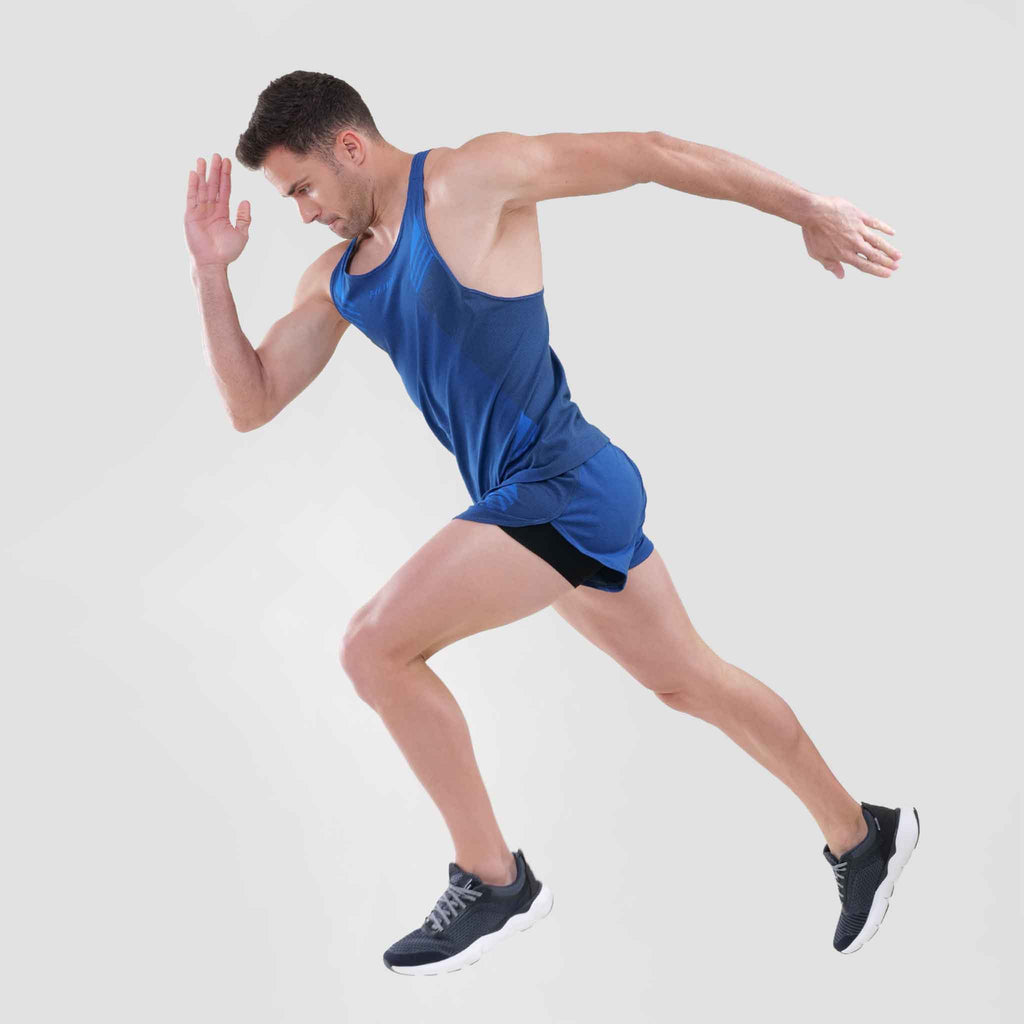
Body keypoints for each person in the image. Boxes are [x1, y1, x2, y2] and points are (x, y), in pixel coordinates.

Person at [184, 71, 919, 975]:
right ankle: (862, 835)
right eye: (288, 199)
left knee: (373, 648)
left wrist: (807, 207)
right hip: (549, 497)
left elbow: (650, 153)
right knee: (691, 682)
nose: (303, 213)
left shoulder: (471, 179)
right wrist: (210, 273)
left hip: (559, 485)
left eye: (303, 187)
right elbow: (252, 402)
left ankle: (493, 881)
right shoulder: (337, 279)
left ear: (349, 147)